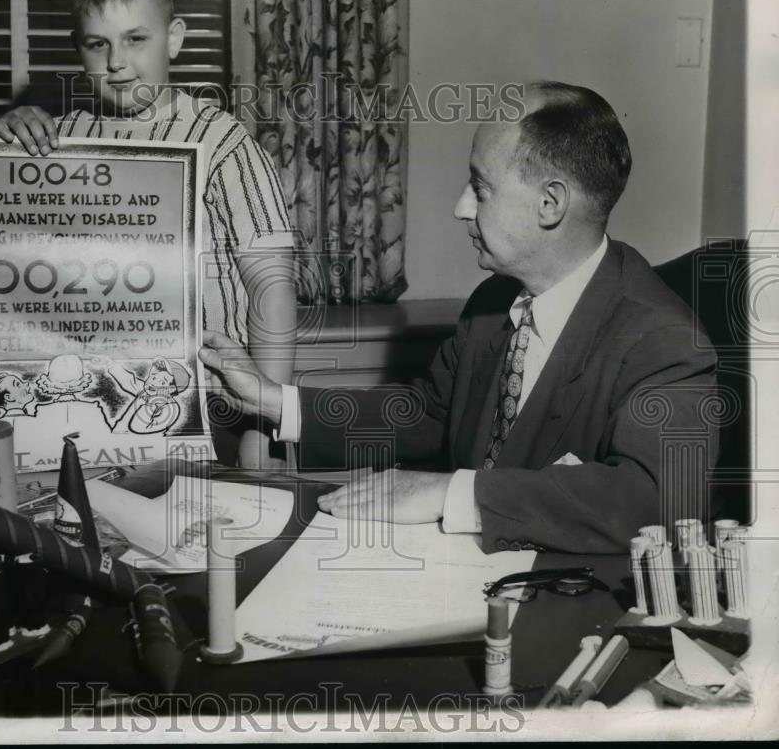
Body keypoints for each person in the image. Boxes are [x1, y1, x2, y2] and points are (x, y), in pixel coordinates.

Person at [199, 81, 719, 554]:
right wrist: (275, 401)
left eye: (481, 188)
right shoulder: (494, 300)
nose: (461, 207)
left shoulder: (665, 340)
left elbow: (660, 500)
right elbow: (429, 415)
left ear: (550, 203)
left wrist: (453, 493)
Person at [0, 0, 295, 469]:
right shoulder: (60, 141)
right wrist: (9, 142)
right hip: (99, 407)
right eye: (98, 44)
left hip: (219, 408)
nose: (116, 62)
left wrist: (265, 426)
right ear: (78, 47)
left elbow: (272, 285)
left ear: (173, 38)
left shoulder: (220, 139)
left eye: (136, 39)